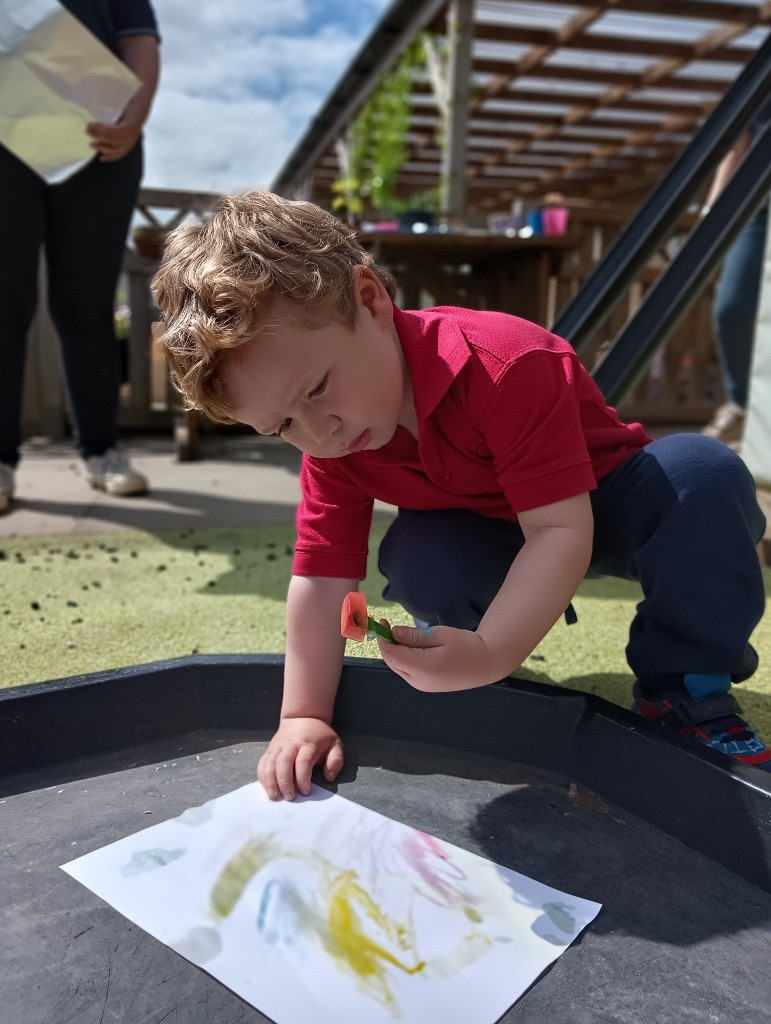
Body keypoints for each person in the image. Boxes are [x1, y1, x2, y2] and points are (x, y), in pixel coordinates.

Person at [153, 190, 771, 800]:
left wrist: (493, 651)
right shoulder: (331, 447)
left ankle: (684, 688)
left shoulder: (502, 362)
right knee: (425, 553)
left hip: (607, 503)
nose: (319, 433)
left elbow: (560, 531)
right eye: (283, 426)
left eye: (316, 389)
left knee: (701, 475)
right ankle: (465, 658)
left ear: (369, 301)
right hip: (491, 533)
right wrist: (303, 715)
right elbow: (320, 577)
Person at [0, 0, 161, 514]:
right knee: (3, 303)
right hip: (6, 141)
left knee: (87, 306)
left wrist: (133, 120)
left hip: (99, 147)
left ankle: (101, 450)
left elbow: (139, 41)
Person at [701, 99, 771, 447]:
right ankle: (741, 405)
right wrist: (712, 210)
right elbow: (738, 143)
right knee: (732, 308)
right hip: (756, 197)